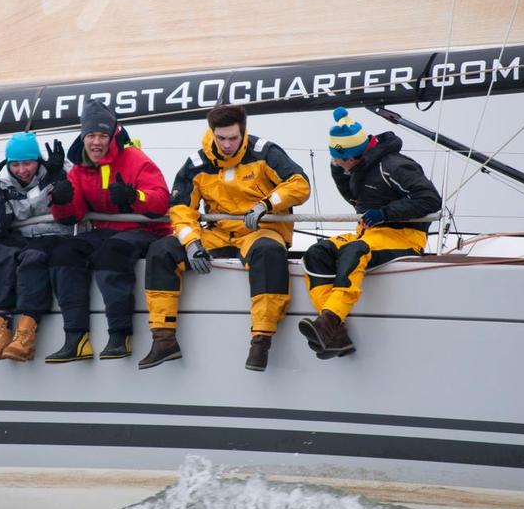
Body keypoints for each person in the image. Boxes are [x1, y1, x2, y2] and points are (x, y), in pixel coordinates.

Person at [141, 104, 311, 371]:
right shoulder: (197, 164)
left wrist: (267, 204)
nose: (228, 144)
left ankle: (261, 341)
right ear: (212, 134)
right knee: (162, 250)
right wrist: (192, 243)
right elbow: (181, 209)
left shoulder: (265, 153)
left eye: (233, 138)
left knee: (269, 252)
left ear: (243, 132)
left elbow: (300, 184)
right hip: (218, 235)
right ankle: (163, 339)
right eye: (221, 138)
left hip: (260, 231)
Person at [299, 107, 442, 359]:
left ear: (356, 156)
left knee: (354, 251)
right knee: (316, 253)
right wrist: (338, 171)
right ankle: (335, 334)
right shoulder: (354, 167)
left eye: (340, 160)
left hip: (404, 236)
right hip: (368, 232)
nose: (338, 163)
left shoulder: (396, 166)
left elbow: (430, 200)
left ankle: (329, 319)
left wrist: (385, 213)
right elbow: (356, 201)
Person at [46, 99, 171, 363]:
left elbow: (161, 200)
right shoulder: (79, 167)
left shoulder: (135, 159)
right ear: (83, 136)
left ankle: (120, 335)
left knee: (112, 253)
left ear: (113, 135)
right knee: (65, 252)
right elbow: (73, 216)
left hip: (145, 229)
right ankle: (76, 337)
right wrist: (61, 201)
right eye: (91, 135)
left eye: (102, 135)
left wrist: (133, 195)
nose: (96, 142)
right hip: (106, 230)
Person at [0, 132, 72, 362]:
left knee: (33, 258)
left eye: (27, 163)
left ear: (38, 161)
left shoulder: (59, 170)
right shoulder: (2, 182)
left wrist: (57, 177)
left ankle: (26, 331)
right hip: (19, 237)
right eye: (15, 164)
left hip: (52, 234)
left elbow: (69, 210)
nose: (21, 170)